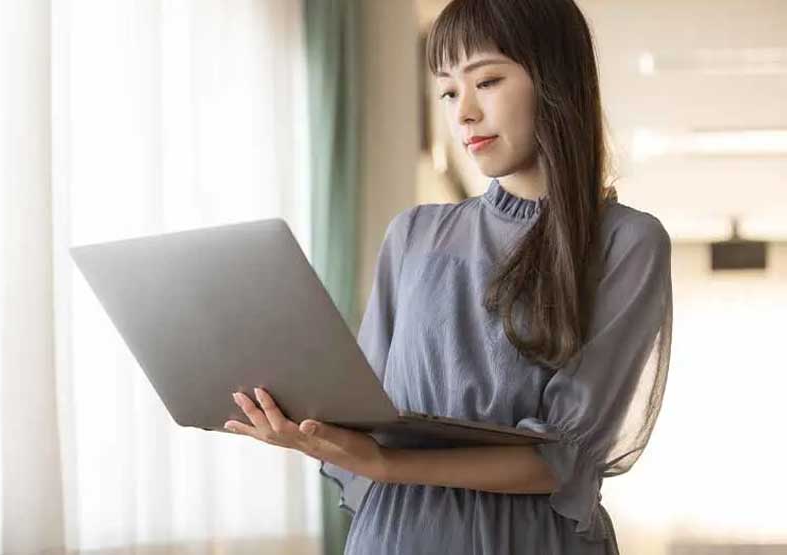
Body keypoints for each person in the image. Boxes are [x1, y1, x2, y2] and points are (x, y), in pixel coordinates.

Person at [222, 0, 673, 553]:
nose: (463, 112)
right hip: (394, 535)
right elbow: (364, 412)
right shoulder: (413, 234)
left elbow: (560, 461)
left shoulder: (627, 243)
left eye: (486, 80)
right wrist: (302, 426)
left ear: (555, 81)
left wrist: (386, 465)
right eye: (448, 91)